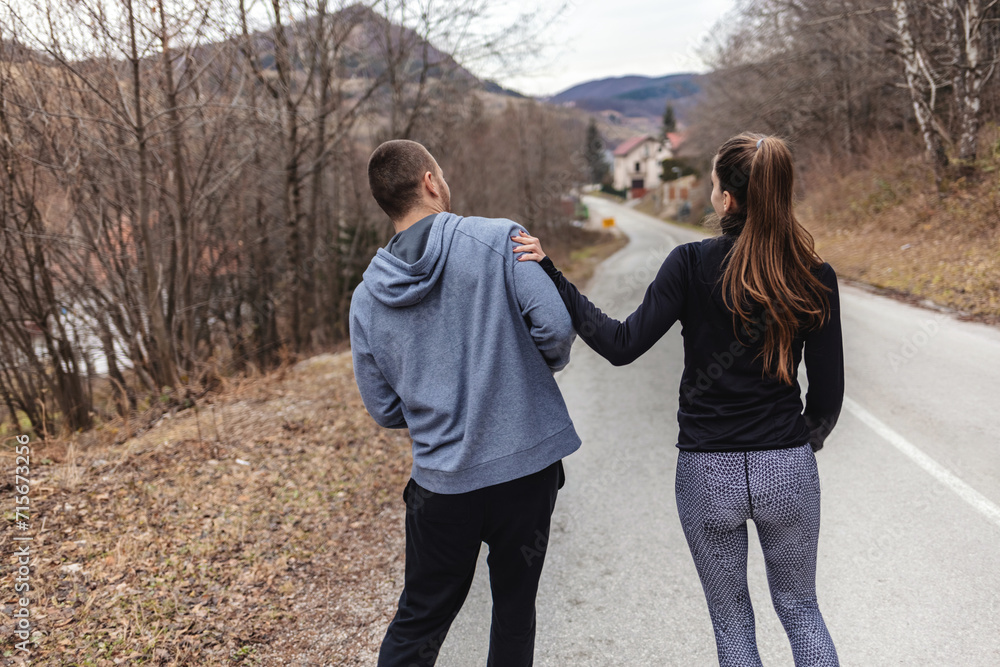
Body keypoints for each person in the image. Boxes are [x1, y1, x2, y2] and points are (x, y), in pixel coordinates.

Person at [512, 133, 843, 667]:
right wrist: (794, 445)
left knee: (733, 623)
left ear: (728, 200)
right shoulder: (813, 275)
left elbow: (620, 344)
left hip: (706, 472)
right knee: (801, 610)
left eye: (714, 185)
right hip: (787, 466)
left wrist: (551, 273)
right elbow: (828, 399)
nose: (712, 194)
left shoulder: (690, 264)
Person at [350, 139, 581, 667]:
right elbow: (556, 329)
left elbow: (383, 407)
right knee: (515, 608)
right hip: (525, 472)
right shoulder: (501, 239)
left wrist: (436, 401)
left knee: (421, 618)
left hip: (441, 488)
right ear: (430, 181)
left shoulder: (366, 296)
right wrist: (516, 375)